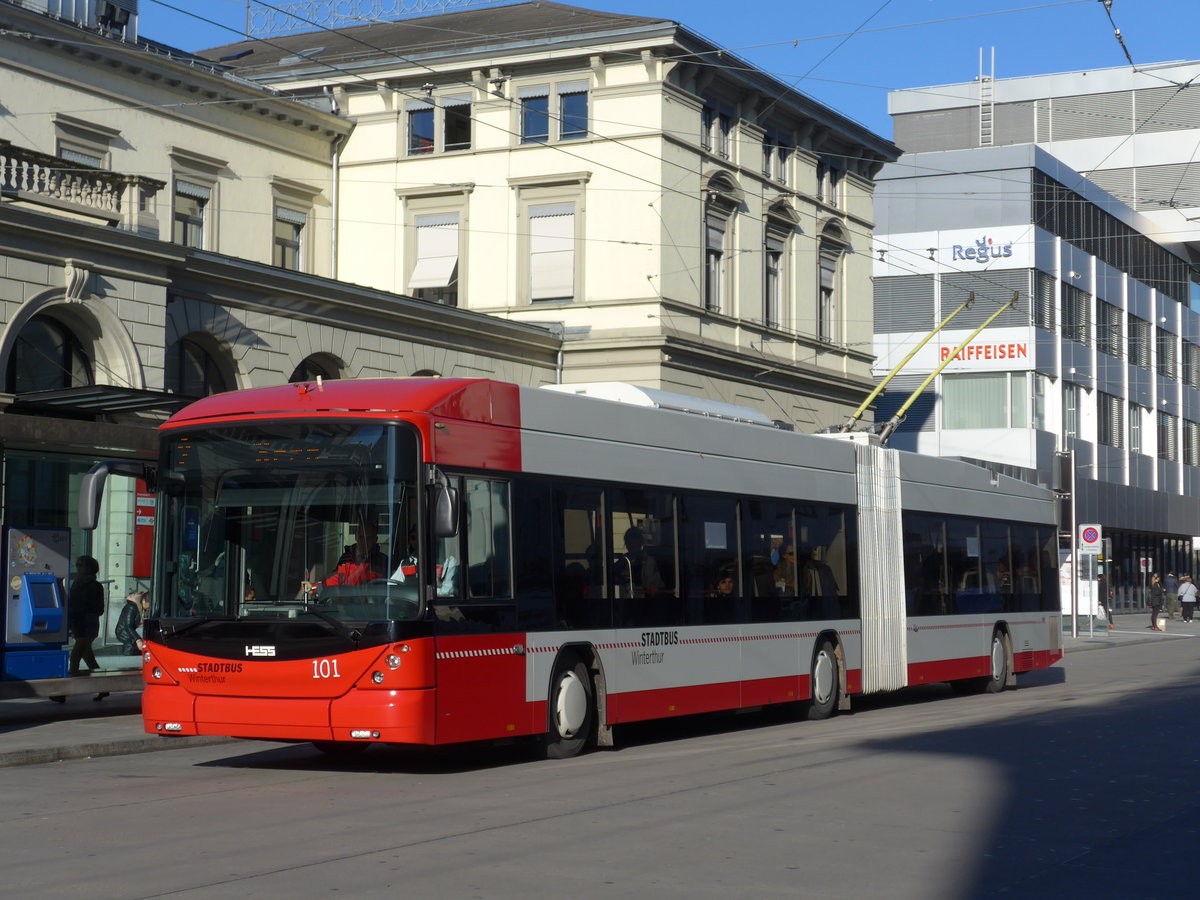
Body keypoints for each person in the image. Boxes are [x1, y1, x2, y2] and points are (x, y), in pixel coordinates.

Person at [67, 555, 105, 676]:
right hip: (79, 623)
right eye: (77, 565)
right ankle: (101, 683)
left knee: (76, 655)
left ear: (89, 568)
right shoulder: (77, 583)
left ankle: (71, 680)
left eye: (80, 565)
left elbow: (99, 608)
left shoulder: (94, 585)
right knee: (87, 655)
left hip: (87, 624)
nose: (77, 568)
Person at [615, 526, 663, 598]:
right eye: (628, 542)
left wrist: (653, 586)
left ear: (640, 542)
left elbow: (654, 584)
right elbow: (612, 575)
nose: (631, 545)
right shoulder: (623, 560)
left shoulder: (648, 561)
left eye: (634, 541)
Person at [114, 590, 149, 655]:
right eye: (148, 606)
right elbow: (128, 625)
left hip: (128, 633)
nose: (147, 609)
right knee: (130, 650)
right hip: (125, 633)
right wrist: (138, 640)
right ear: (143, 601)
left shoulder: (137, 606)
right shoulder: (132, 607)